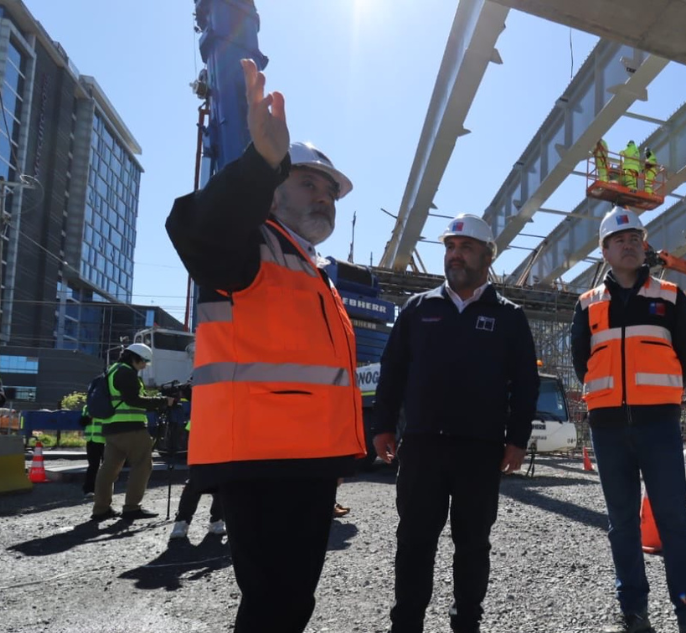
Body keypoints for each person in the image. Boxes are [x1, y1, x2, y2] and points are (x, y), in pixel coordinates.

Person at [165, 59, 365, 633]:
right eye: (308, 183)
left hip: (304, 462)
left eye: (330, 192)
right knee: (274, 605)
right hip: (262, 461)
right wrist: (260, 161)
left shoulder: (310, 267)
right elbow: (194, 227)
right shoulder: (249, 246)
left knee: (291, 603)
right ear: (272, 194)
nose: (324, 198)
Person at [372, 213, 539, 633]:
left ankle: (466, 622)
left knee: (473, 544)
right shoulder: (418, 309)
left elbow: (525, 383)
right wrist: (383, 425)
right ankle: (406, 624)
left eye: (466, 247)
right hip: (422, 446)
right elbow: (392, 370)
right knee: (414, 541)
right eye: (450, 247)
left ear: (488, 256)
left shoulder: (509, 316)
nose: (455, 255)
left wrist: (517, 440)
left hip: (480, 449)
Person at [570, 208, 686, 633]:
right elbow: (582, 363)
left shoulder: (669, 296)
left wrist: (659, 397)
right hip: (608, 427)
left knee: (673, 521)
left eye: (634, 238)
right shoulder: (588, 304)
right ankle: (633, 612)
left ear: (644, 245)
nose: (628, 244)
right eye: (619, 239)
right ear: (605, 251)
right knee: (622, 525)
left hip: (658, 425)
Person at [90, 344, 174, 521]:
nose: (144, 366)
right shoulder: (127, 372)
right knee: (142, 465)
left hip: (111, 428)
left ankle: (100, 509)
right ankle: (132, 508)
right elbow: (134, 400)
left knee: (109, 469)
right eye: (144, 361)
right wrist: (163, 401)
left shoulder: (112, 370)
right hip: (131, 428)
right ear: (135, 358)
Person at [80, 404, 104, 499]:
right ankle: (89, 489)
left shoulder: (107, 404)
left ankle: (104, 489)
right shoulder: (87, 407)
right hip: (91, 440)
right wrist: (89, 417)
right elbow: (82, 422)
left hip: (105, 440)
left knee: (107, 466)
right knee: (93, 466)